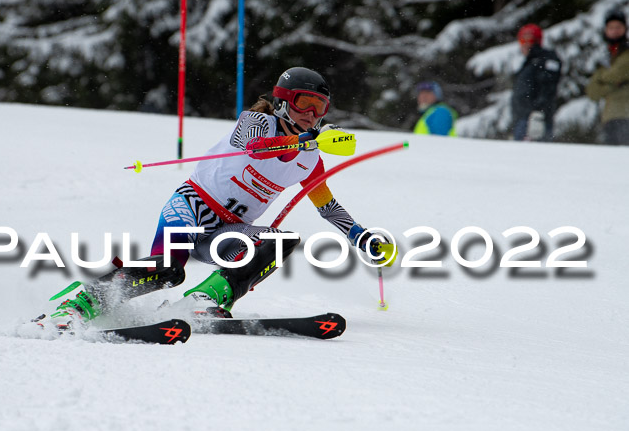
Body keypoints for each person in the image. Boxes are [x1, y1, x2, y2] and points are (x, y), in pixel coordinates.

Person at [43, 67, 392, 327]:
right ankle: (79, 305)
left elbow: (326, 206)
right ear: (284, 101)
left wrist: (361, 237)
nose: (312, 115)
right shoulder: (256, 120)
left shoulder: (309, 159)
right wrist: (307, 141)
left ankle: (203, 300)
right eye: (305, 103)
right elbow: (254, 148)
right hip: (191, 207)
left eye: (321, 108)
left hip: (228, 232)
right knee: (167, 270)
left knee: (281, 240)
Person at [511, 24, 562, 142]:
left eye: (530, 39)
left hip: (536, 119)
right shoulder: (528, 63)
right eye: (522, 39)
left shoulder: (546, 60)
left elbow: (548, 88)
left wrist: (538, 113)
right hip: (522, 119)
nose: (525, 43)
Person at [586, 9, 629, 146]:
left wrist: (602, 78)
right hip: (609, 117)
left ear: (625, 29)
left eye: (618, 27)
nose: (615, 31)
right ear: (605, 30)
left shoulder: (625, 54)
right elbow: (592, 92)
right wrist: (613, 84)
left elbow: (617, 73)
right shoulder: (605, 56)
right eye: (611, 27)